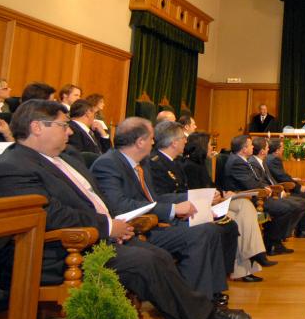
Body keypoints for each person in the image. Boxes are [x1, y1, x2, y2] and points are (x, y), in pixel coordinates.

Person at [0, 100, 250, 319]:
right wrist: (109, 226)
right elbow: (49, 216)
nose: (70, 131)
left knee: (157, 255)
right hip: (59, 251)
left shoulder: (68, 159)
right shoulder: (13, 166)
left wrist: (113, 226)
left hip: (99, 237)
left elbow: (97, 202)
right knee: (145, 260)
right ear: (37, 127)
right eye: (64, 125)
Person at [91, 117, 237, 306]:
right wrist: (172, 209)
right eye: (151, 138)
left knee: (209, 228)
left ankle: (209, 298)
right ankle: (197, 306)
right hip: (134, 229)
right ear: (140, 142)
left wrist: (189, 199)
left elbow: (153, 199)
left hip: (152, 222)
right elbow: (120, 205)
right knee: (201, 233)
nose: (154, 143)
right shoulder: (108, 164)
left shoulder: (140, 164)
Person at [149, 122, 274, 281]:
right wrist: (213, 198)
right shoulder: (183, 165)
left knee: (245, 205)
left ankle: (254, 255)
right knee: (233, 220)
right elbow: (186, 193)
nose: (212, 147)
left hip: (208, 202)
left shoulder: (189, 164)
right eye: (209, 144)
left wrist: (220, 194)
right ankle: (243, 264)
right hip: (194, 208)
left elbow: (209, 187)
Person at [222, 135, 301, 256]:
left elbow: (254, 180)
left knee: (289, 205)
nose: (253, 147)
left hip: (255, 195)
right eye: (250, 145)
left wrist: (266, 187)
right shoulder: (236, 162)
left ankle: (275, 242)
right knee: (285, 208)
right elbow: (250, 184)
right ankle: (271, 244)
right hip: (249, 198)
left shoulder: (241, 159)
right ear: (244, 149)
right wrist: (265, 188)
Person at [264, 138, 305, 238]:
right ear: (277, 150)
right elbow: (282, 177)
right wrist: (298, 187)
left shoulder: (269, 158)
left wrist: (293, 179)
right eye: (282, 148)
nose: (283, 150)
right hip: (279, 190)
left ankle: (301, 230)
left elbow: (278, 175)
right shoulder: (273, 159)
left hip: (280, 187)